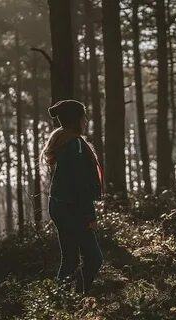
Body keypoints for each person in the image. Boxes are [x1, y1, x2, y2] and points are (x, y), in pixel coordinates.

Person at [41, 100, 103, 294]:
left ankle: (63, 302)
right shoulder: (75, 144)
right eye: (83, 116)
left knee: (70, 259)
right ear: (76, 119)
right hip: (71, 209)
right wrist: (90, 217)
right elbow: (80, 185)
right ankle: (79, 296)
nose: (86, 120)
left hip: (61, 206)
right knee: (93, 258)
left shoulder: (66, 141)